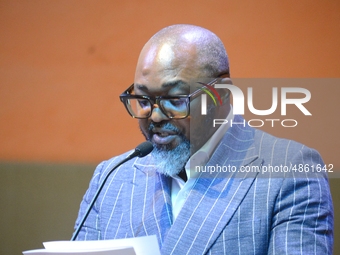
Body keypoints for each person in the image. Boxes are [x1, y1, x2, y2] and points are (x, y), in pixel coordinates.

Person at [73, 24, 333, 254]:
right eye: (142, 100)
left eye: (174, 100)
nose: (154, 116)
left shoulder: (289, 172)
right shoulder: (111, 179)